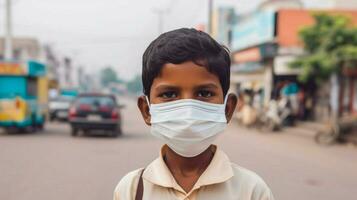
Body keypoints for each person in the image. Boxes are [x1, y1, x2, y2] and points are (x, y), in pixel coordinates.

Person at [113, 28, 274, 200]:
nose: (188, 109)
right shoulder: (132, 189)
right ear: (147, 110)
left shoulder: (251, 191)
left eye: (204, 94)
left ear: (227, 109)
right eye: (169, 94)